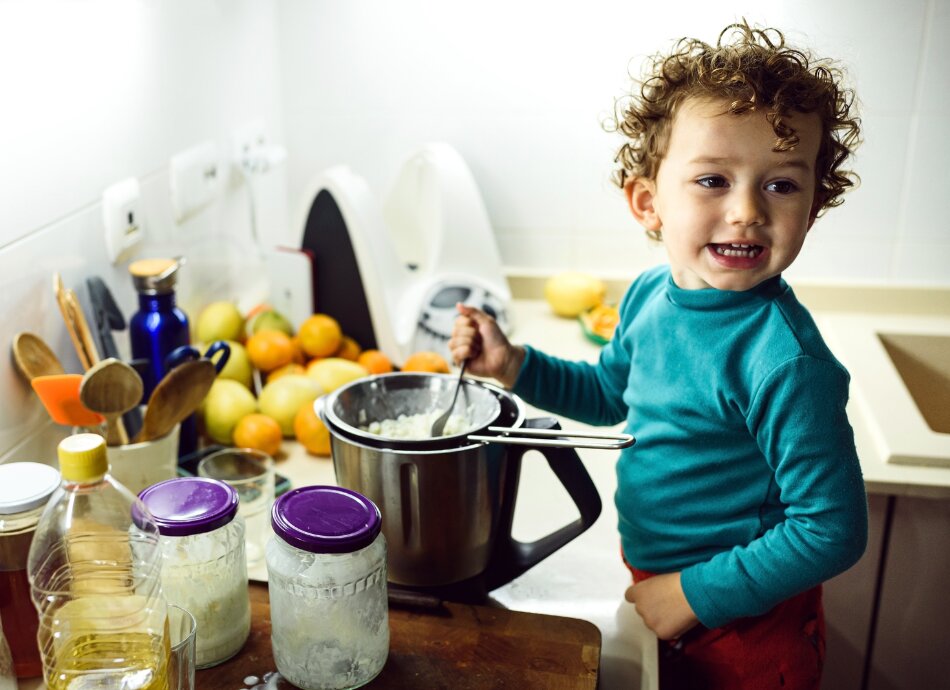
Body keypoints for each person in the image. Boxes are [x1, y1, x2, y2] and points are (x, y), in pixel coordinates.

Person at [449, 21, 869, 690]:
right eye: (712, 180)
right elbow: (610, 393)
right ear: (649, 203)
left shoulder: (786, 363)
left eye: (782, 186)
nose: (745, 213)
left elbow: (831, 531)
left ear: (814, 207)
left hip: (748, 633)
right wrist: (515, 366)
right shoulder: (650, 295)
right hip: (669, 593)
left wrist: (690, 596)